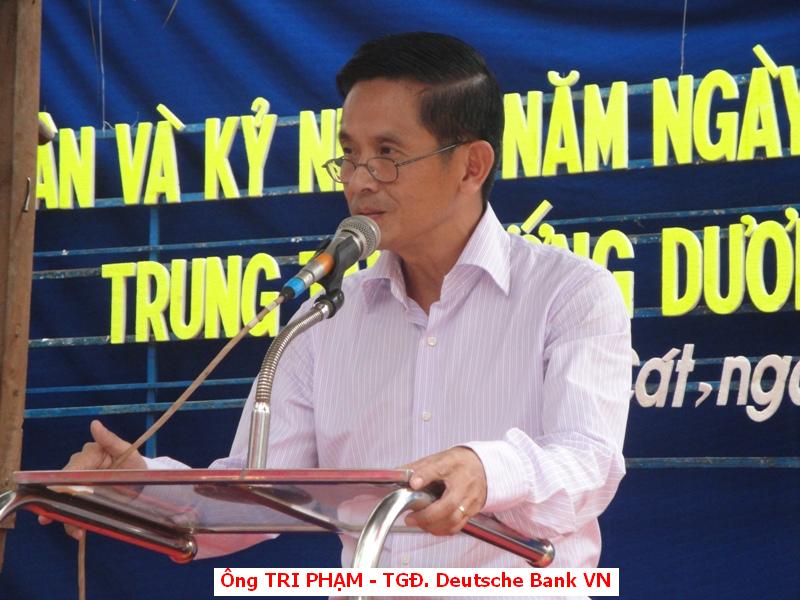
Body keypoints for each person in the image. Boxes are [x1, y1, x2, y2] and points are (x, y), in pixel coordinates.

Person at [44, 31, 630, 586]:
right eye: (350, 154)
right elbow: (256, 497)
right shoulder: (326, 318)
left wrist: (487, 469)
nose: (359, 181)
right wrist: (137, 487)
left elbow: (588, 466)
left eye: (387, 154)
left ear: (471, 166)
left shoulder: (570, 293)